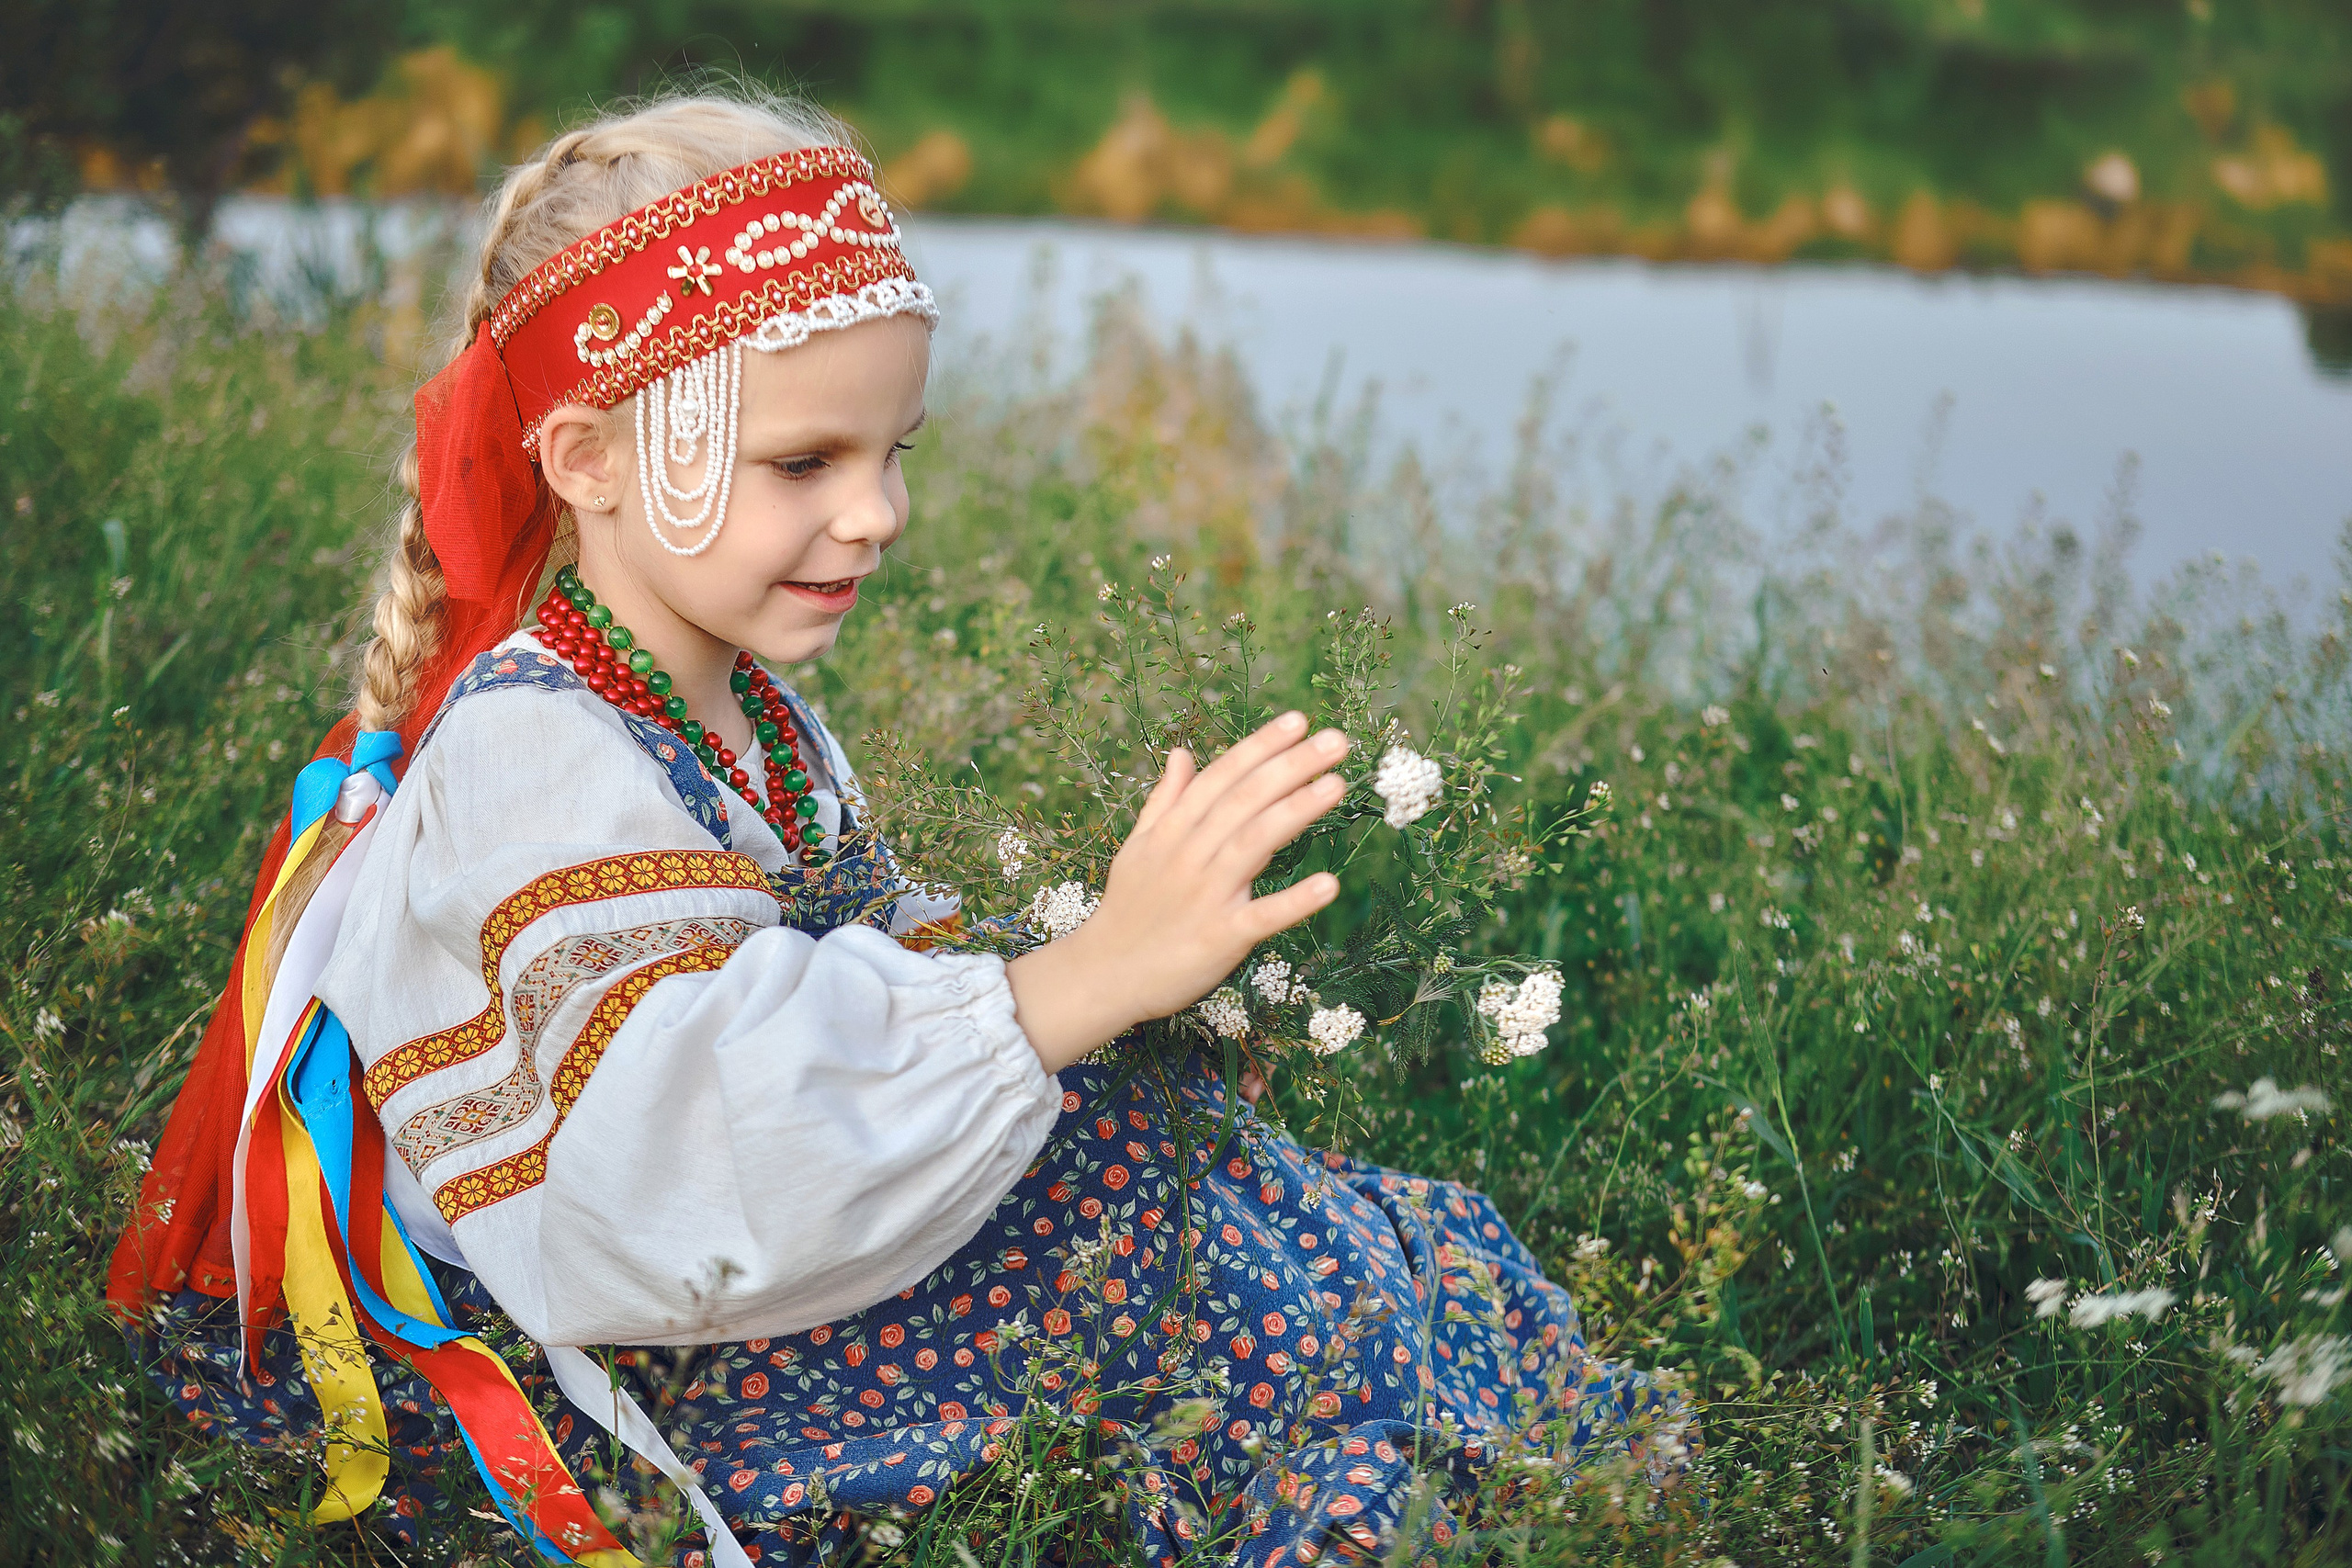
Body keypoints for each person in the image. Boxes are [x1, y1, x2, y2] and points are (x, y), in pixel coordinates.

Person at [108, 91, 1689, 1568]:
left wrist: (1134, 1001)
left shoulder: (748, 709)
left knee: (1192, 1169)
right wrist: (1078, 981)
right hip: (648, 1331)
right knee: (1143, 1251)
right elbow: (685, 1164)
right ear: (587, 460)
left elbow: (863, 954)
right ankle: (1409, 1452)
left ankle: (1485, 1428)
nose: (876, 514)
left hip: (779, 1247)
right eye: (806, 462)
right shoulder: (534, 754)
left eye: (893, 453)